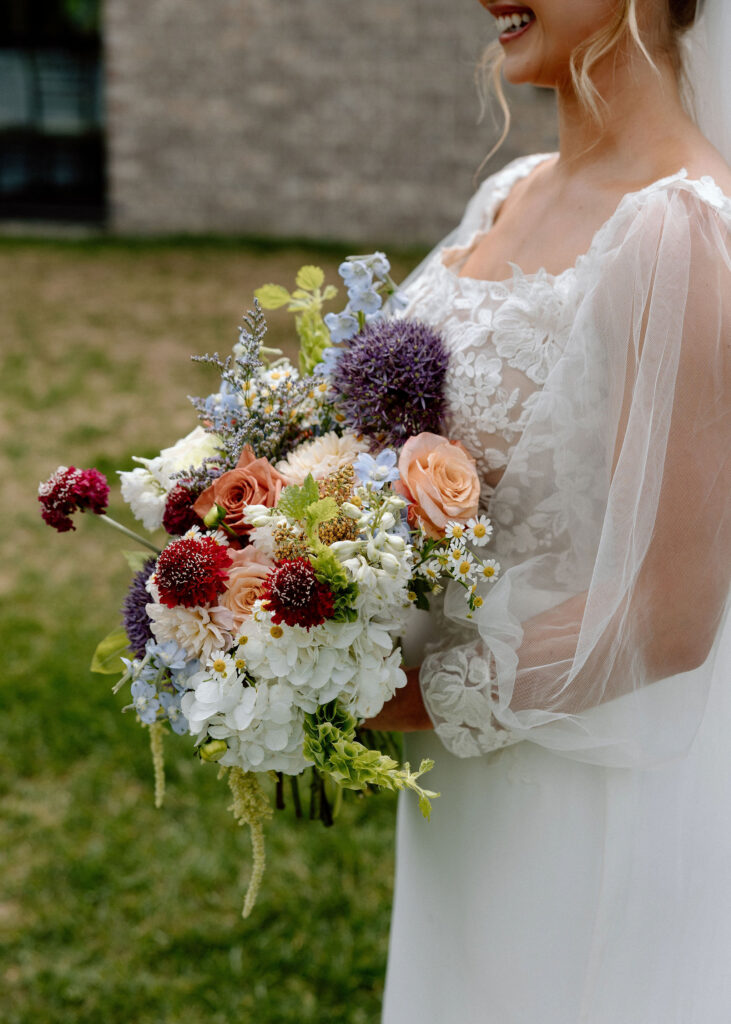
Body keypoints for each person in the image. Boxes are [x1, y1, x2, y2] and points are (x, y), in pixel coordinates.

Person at [366, 1, 731, 1020]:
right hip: (465, 790)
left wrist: (390, 691)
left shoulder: (681, 235)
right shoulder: (507, 193)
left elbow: (663, 615)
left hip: (582, 797)